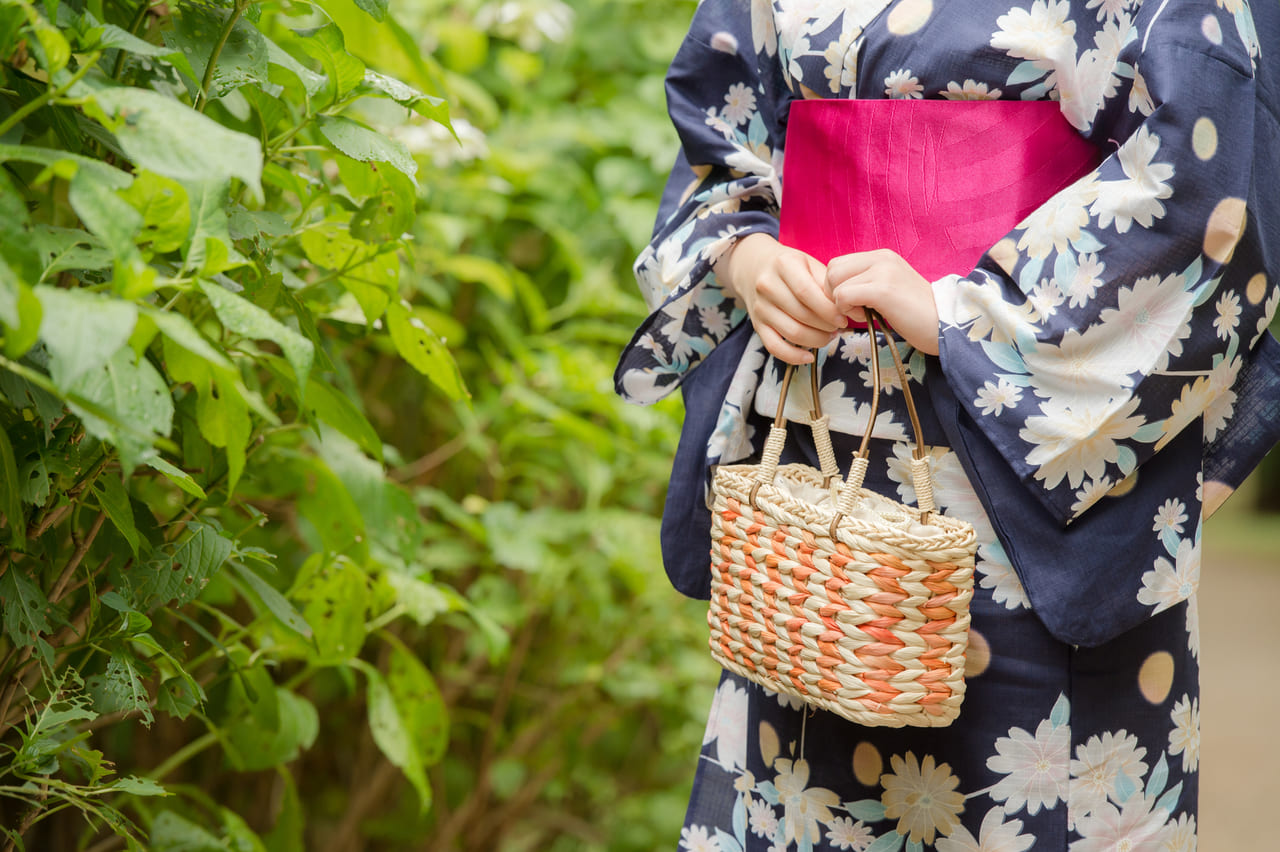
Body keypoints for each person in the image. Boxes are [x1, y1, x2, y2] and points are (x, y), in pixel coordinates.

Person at [615, 1, 1280, 849]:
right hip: (813, 490)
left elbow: (1209, 181)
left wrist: (956, 315)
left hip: (1024, 492)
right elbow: (723, 129)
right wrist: (746, 259)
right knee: (796, 781)